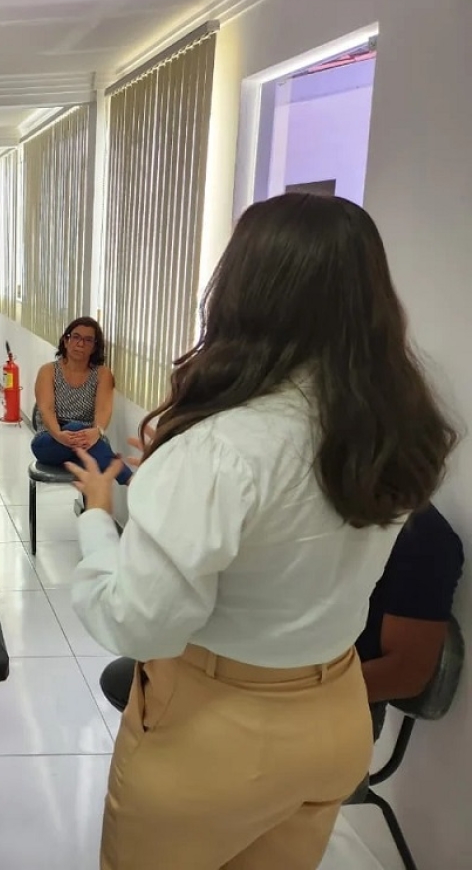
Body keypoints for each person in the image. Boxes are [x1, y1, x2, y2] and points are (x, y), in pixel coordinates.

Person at [65, 193, 457, 870]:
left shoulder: (223, 447)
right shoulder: (394, 433)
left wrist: (101, 520)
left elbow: (141, 624)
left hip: (216, 730)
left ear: (241, 292)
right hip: (337, 715)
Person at [100, 503, 465, 740]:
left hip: (324, 703)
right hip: (260, 673)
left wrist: (271, 690)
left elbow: (407, 672)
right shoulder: (307, 503)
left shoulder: (422, 537)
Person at [31, 317, 131, 485]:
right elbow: (46, 409)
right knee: (78, 429)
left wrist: (97, 431)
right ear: (66, 340)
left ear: (94, 347)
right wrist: (60, 435)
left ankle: (124, 477)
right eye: (76, 337)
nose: (80, 344)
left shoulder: (102, 374)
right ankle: (129, 479)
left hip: (88, 441)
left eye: (88, 340)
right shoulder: (48, 371)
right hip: (50, 440)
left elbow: (103, 410)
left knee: (82, 433)